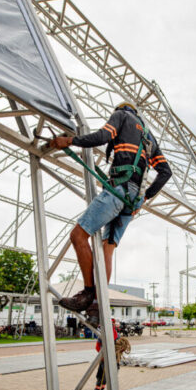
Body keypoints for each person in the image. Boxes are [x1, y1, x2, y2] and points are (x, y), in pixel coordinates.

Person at [50, 101, 172, 325]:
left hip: (119, 189)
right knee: (107, 249)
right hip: (132, 199)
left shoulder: (121, 116)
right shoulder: (148, 136)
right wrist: (144, 198)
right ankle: (98, 304)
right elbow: (165, 172)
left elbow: (102, 136)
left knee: (78, 236)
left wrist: (69, 140)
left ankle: (87, 293)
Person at [91, 318, 119, 390]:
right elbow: (98, 346)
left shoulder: (113, 335)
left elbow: (97, 346)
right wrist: (103, 356)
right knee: (103, 379)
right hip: (107, 360)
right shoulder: (112, 335)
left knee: (104, 379)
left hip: (110, 360)